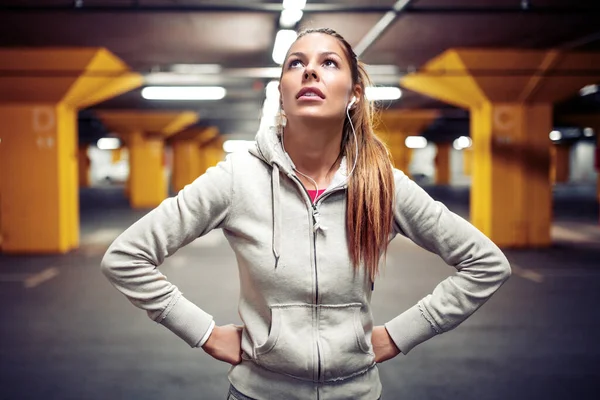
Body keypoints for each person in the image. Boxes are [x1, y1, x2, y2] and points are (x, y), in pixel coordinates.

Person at [101, 28, 511, 400]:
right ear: (281, 92)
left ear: (353, 93)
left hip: (356, 394)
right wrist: (204, 333)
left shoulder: (383, 183)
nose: (309, 72)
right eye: (296, 63)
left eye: (328, 63)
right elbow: (125, 257)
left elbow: (486, 264)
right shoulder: (237, 176)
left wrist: (399, 335)